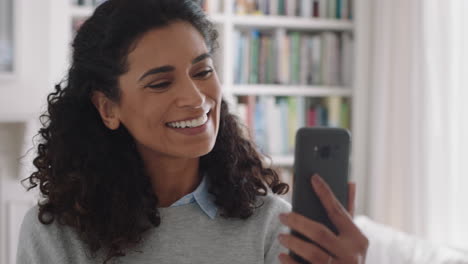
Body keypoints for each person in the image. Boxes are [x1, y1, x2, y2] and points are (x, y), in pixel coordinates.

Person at [16, 0, 368, 263]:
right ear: (108, 107)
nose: (196, 98)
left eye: (202, 72)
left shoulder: (271, 226)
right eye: (160, 83)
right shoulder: (57, 234)